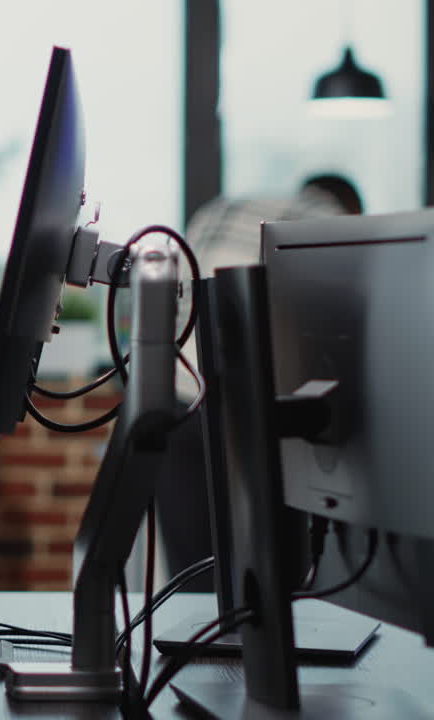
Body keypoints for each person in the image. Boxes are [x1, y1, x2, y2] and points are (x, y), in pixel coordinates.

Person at [154, 174, 363, 587]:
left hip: (171, 398)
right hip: (244, 407)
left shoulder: (225, 208)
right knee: (270, 581)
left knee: (194, 579)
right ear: (351, 207)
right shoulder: (331, 219)